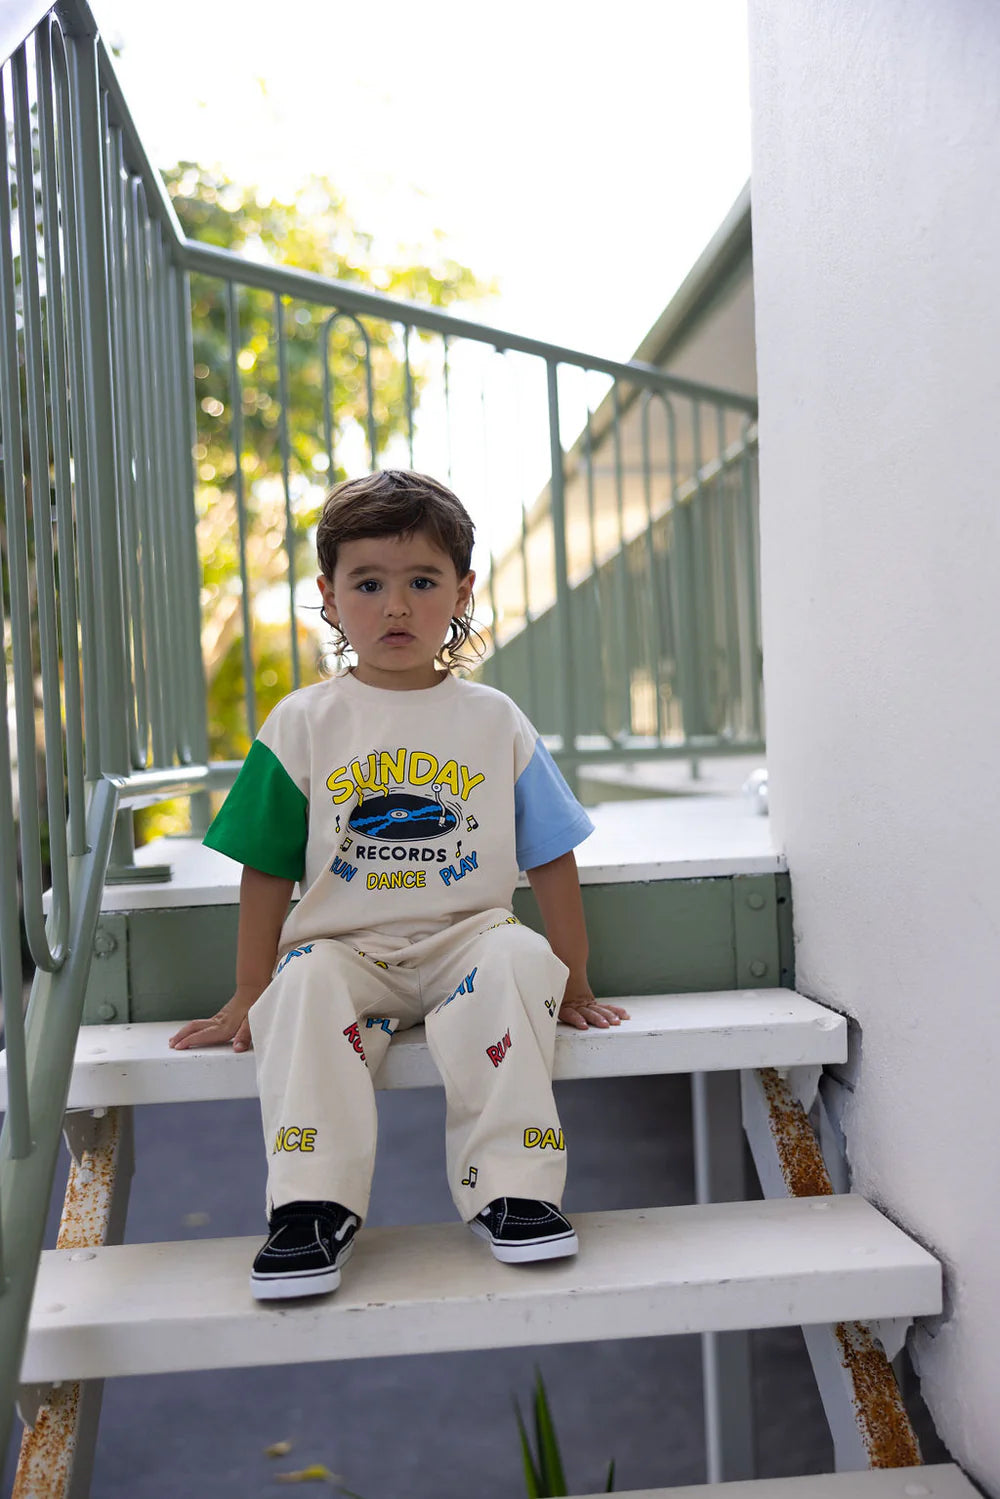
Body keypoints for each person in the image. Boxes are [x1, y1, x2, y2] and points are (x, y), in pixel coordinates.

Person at [169, 469, 628, 1301]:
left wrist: (576, 974)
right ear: (328, 595)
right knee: (299, 986)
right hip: (346, 949)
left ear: (462, 591)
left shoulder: (494, 719)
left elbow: (552, 852)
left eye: (422, 582)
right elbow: (266, 864)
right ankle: (311, 1207)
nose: (395, 606)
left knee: (520, 961)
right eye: (368, 583)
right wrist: (247, 989)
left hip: (468, 941)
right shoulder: (303, 721)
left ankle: (514, 1191)